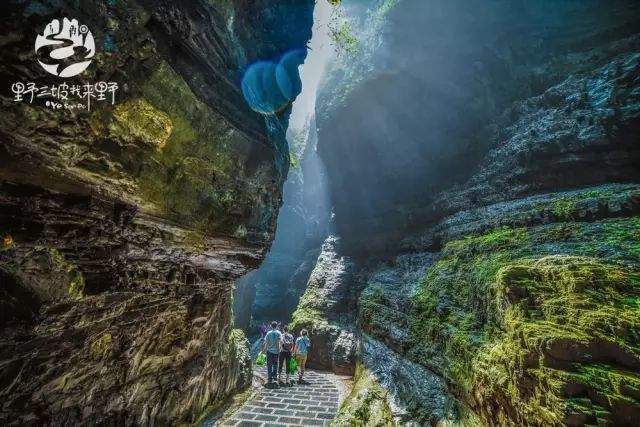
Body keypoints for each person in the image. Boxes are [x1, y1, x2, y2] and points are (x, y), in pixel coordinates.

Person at [262, 321, 282, 386]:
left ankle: (269, 378)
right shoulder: (279, 333)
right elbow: (281, 342)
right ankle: (275, 377)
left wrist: (263, 350)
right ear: (277, 326)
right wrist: (280, 349)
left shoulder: (268, 333)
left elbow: (266, 343)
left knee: (269, 365)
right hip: (276, 352)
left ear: (271, 326)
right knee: (275, 364)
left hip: (269, 351)